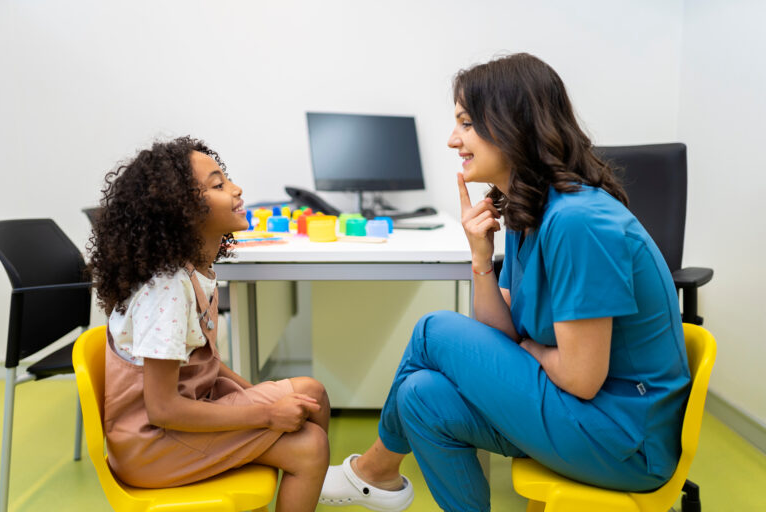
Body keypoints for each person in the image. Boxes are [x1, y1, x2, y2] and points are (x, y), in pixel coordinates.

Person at [318, 53, 691, 512]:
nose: (453, 140)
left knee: (433, 330)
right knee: (420, 398)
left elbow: (581, 376)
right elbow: (504, 333)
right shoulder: (526, 211)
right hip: (579, 413)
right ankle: (377, 477)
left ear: (512, 125)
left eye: (466, 123)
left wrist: (530, 351)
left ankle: (372, 472)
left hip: (624, 438)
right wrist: (480, 260)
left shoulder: (579, 222)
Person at [88, 137, 330, 512]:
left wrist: (266, 397)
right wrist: (266, 414)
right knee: (311, 447)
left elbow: (206, 364)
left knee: (310, 395)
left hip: (180, 419)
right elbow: (163, 410)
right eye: (218, 185)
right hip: (151, 445)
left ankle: (303, 490)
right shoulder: (166, 290)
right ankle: (305, 476)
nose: (236, 189)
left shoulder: (195, 270)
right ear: (181, 211)